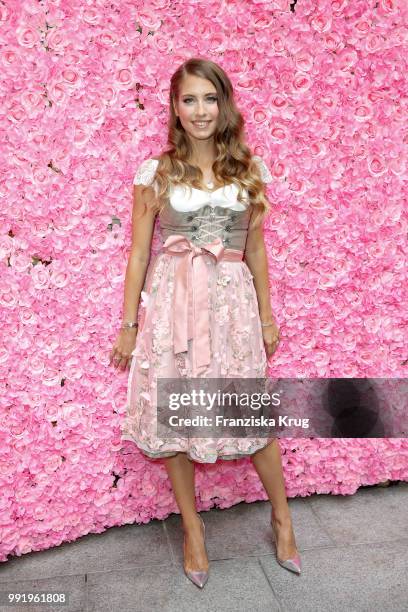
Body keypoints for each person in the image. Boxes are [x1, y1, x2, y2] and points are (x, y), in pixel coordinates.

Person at [109, 58, 301, 589]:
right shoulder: (155, 173)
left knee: (250, 415)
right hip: (173, 307)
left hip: (233, 308)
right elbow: (139, 253)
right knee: (177, 417)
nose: (200, 111)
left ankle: (282, 518)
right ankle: (192, 531)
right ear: (174, 107)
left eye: (209, 99)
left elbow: (256, 249)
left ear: (225, 105)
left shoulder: (248, 170)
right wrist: (129, 324)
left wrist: (266, 315)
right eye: (189, 99)